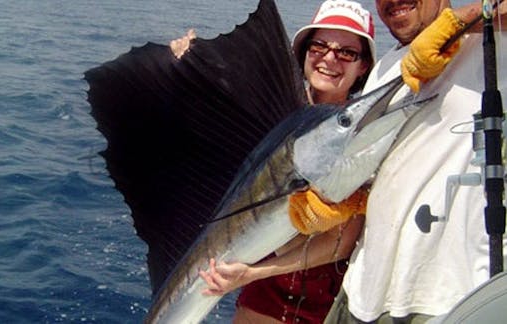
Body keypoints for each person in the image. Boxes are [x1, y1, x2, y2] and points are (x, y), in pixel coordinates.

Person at [288, 0, 507, 323]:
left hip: (444, 299)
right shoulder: (381, 71)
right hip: (362, 294)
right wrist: (344, 202)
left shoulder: (494, 43)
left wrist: (454, 25)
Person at [173, 1, 375, 323]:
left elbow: (342, 243)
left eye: (347, 53)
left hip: (329, 301)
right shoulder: (271, 114)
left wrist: (250, 272)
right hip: (263, 294)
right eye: (320, 46)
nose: (329, 58)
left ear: (363, 66)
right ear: (305, 51)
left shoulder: (365, 136)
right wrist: (186, 69)